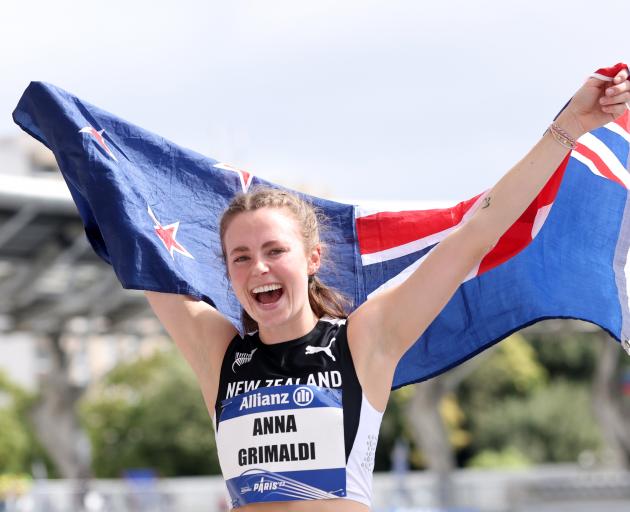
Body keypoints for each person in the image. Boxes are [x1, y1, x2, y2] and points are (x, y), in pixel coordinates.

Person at [144, 67, 630, 510]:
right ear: (227, 273)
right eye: (241, 258)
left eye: (275, 251)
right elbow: (132, 235)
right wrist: (71, 135)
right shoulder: (219, 355)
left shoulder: (363, 340)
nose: (260, 269)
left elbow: (475, 235)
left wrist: (568, 127)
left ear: (312, 259)